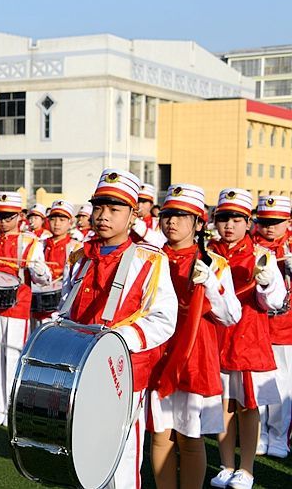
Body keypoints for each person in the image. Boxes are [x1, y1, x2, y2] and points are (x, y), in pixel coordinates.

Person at [62, 168, 177, 489]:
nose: (103, 216)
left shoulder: (149, 260)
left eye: (114, 209)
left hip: (123, 372)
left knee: (121, 459)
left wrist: (115, 340)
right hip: (81, 370)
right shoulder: (81, 257)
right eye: (99, 207)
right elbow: (66, 308)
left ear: (132, 215)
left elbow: (164, 318)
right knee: (85, 451)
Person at [148, 184, 241, 489]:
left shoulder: (214, 263)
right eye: (167, 214)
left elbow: (231, 317)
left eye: (182, 216)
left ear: (200, 223)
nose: (172, 221)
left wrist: (211, 284)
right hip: (157, 353)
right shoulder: (149, 258)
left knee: (190, 436)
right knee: (160, 435)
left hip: (194, 356)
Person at [207, 189, 286, 489]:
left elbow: (275, 302)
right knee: (222, 403)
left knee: (247, 404)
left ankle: (248, 469)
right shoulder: (208, 253)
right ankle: (227, 465)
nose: (229, 225)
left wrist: (266, 284)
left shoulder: (261, 254)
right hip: (215, 336)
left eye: (236, 219)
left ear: (247, 221)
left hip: (248, 338)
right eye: (223, 218)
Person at [0, 192, 51, 427]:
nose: (3, 222)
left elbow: (43, 277)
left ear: (20, 216)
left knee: (11, 356)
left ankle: (11, 406)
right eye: (0, 216)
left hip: (18, 305)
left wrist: (39, 270)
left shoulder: (30, 241)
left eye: (8, 217)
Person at [251, 195, 292, 459]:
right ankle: (260, 435)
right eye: (264, 221)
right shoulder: (251, 245)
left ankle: (278, 436)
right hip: (256, 327)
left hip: (286, 328)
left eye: (275, 222)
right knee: (258, 386)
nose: (269, 227)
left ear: (287, 221)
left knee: (284, 386)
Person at [35, 200, 81, 327]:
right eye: (53, 219)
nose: (57, 224)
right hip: (38, 302)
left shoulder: (76, 247)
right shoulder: (40, 244)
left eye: (62, 220)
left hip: (61, 304)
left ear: (70, 222)